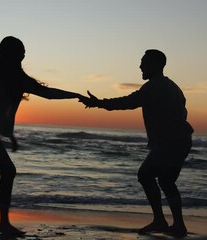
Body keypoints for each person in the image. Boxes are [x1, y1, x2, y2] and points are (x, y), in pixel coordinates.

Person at [0, 36, 84, 237]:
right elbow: (47, 93)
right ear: (11, 53)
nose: (24, 54)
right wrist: (76, 95)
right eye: (21, 50)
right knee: (8, 171)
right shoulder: (9, 77)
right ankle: (3, 223)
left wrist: (8, 134)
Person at [80, 49, 193, 237]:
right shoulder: (172, 86)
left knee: (145, 174)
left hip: (170, 142)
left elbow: (128, 102)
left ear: (156, 65)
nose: (140, 66)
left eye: (144, 62)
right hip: (180, 140)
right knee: (166, 181)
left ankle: (161, 220)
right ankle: (177, 224)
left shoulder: (154, 86)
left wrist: (98, 103)